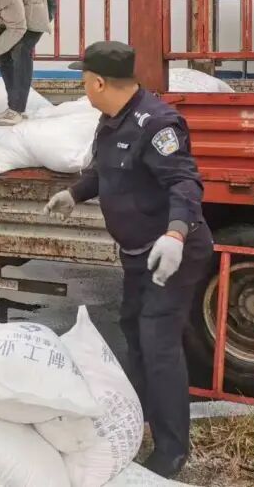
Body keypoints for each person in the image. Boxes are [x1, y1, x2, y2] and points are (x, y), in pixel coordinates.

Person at [43, 41, 213, 478]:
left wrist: (175, 235)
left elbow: (185, 183)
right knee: (134, 332)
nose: (84, 88)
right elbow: (104, 172)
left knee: (158, 344)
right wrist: (74, 193)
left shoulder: (156, 124)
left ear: (99, 82)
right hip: (137, 253)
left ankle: (172, 451)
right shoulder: (111, 121)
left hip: (171, 254)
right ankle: (138, 421)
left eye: (85, 81)